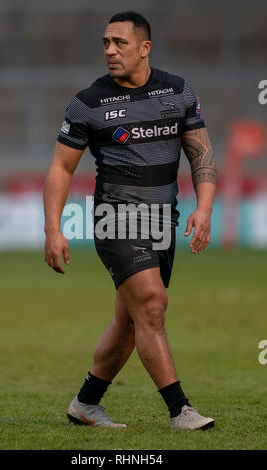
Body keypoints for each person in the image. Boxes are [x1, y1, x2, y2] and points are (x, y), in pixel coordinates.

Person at [43, 11, 217, 430]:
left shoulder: (177, 91)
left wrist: (205, 207)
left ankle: (86, 403)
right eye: (105, 42)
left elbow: (202, 155)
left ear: (144, 48)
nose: (110, 50)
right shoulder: (88, 102)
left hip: (162, 220)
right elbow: (60, 169)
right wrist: (53, 229)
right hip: (114, 217)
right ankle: (180, 410)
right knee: (153, 306)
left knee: (130, 322)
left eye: (119, 42)